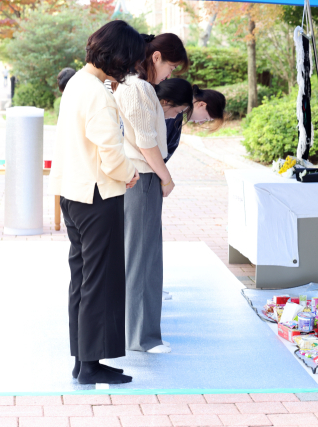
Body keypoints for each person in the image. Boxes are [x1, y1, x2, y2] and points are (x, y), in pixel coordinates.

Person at [49, 20, 143, 385]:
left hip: (73, 192)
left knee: (83, 279)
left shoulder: (77, 83)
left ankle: (83, 359)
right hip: (97, 195)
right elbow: (109, 148)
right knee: (100, 281)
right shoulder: (97, 93)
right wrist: (127, 174)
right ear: (118, 56)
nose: (130, 69)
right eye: (129, 61)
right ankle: (90, 364)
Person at [114, 33, 189, 354]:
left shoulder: (133, 86)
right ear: (156, 57)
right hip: (141, 179)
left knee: (138, 256)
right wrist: (166, 177)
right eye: (171, 66)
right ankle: (141, 337)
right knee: (142, 258)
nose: (170, 74)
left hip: (136, 179)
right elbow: (146, 141)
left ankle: (138, 333)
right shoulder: (139, 87)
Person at [157, 80, 226, 163]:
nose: (201, 122)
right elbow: (154, 150)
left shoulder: (177, 114)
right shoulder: (172, 112)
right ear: (201, 104)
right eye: (206, 118)